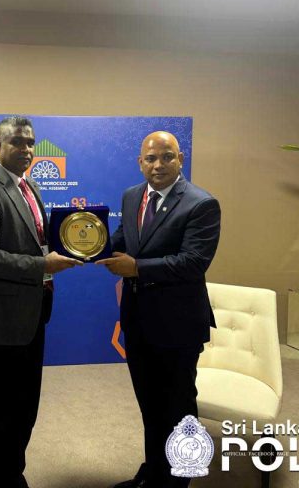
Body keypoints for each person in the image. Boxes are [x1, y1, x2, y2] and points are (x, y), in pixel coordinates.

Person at [0, 116, 83, 488]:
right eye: (17, 142)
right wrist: (44, 265)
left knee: (25, 406)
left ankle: (12, 475)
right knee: (3, 411)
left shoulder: (30, 186)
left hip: (32, 311)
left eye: (31, 142)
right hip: (1, 319)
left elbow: (36, 241)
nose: (27, 149)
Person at [97, 131, 221, 488]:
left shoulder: (201, 204)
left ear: (180, 159)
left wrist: (136, 268)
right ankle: (153, 472)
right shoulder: (132, 196)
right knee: (150, 404)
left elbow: (193, 263)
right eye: (151, 158)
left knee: (179, 408)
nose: (158, 165)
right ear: (141, 162)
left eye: (167, 157)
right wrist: (82, 243)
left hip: (178, 324)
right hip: (138, 320)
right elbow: (122, 240)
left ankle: (179, 481)